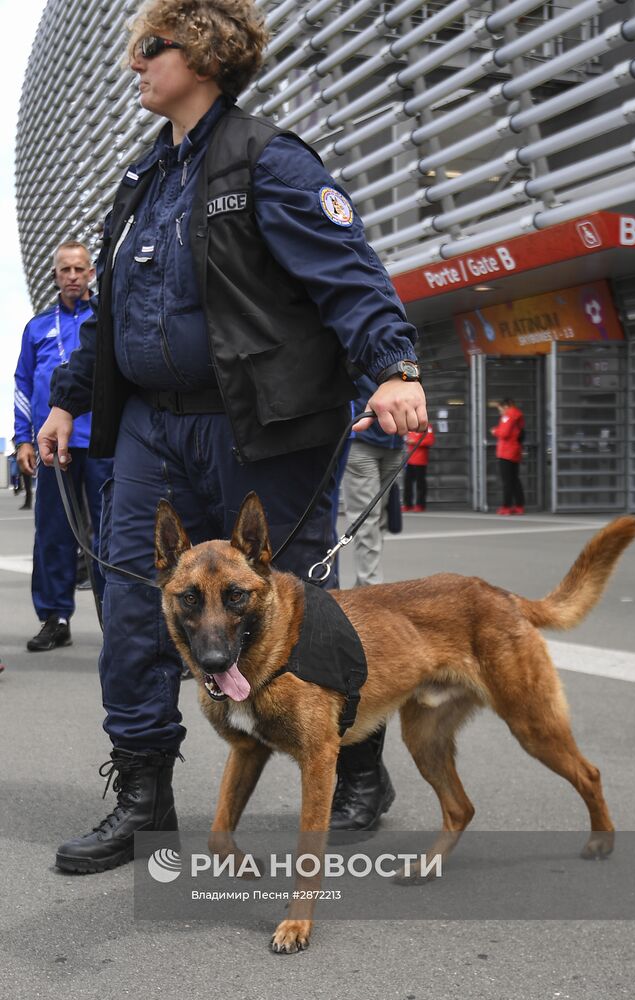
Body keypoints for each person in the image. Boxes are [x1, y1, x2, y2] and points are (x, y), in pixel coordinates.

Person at [37, 0, 428, 874]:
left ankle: (357, 759)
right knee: (138, 607)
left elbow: (349, 276)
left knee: (301, 613)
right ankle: (142, 799)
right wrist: (66, 399)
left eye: (149, 47)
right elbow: (113, 313)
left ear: (202, 52)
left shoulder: (270, 162)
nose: (135, 64)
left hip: (262, 427)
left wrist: (393, 366)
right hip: (151, 428)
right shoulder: (141, 181)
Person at [14, 243, 113, 652]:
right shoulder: (37, 328)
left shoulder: (105, 323)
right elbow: (22, 384)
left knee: (111, 534)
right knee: (52, 533)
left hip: (102, 442)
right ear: (55, 276)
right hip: (52, 445)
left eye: (79, 269)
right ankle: (55, 617)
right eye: (65, 270)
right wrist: (22, 437)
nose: (72, 276)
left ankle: (117, 620)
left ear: (92, 273)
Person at [341, 374, 405, 588]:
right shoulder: (362, 347)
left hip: (393, 443)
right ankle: (371, 586)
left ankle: (366, 583)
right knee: (367, 519)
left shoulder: (401, 351)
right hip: (363, 441)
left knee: (377, 520)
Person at [491, 398, 525, 515]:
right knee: (515, 479)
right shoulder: (518, 416)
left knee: (507, 481)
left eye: (500, 409)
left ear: (505, 406)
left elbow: (504, 433)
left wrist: (495, 431)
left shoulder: (508, 416)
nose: (500, 412)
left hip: (506, 452)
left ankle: (506, 506)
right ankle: (519, 505)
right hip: (515, 450)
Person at [402, 422, 435, 512]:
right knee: (407, 483)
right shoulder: (410, 426)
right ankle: (407, 504)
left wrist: (415, 442)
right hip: (410, 460)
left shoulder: (427, 427)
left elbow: (430, 441)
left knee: (420, 484)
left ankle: (420, 505)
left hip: (420, 460)